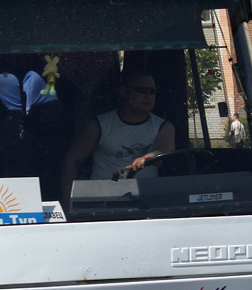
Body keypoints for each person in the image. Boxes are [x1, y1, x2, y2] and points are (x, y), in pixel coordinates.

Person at [60, 68, 175, 201]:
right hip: (103, 203)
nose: (148, 96)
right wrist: (67, 202)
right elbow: (72, 161)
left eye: (152, 91)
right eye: (141, 90)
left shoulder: (163, 126)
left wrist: (150, 156)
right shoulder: (99, 125)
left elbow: (165, 149)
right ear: (124, 92)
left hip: (148, 203)